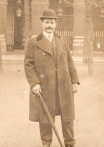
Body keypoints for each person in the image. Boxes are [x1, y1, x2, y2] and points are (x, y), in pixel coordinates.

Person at [24, 9, 80, 147]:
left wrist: (75, 81)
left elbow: (70, 62)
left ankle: (70, 143)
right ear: (42, 24)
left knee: (67, 118)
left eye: (52, 23)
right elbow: (28, 65)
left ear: (56, 24)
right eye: (47, 22)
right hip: (45, 87)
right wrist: (34, 83)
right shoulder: (34, 42)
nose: (50, 25)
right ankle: (46, 144)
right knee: (46, 118)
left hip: (63, 86)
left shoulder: (61, 40)